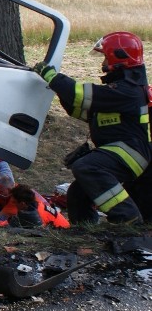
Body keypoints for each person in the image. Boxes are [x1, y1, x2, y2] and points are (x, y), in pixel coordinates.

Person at [34, 32, 150, 224]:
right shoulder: (121, 89)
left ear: (118, 57)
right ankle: (85, 230)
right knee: (78, 192)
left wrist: (53, 78)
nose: (103, 62)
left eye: (105, 56)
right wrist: (61, 91)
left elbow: (80, 95)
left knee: (87, 166)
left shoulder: (127, 91)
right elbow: (84, 109)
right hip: (124, 149)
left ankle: (128, 217)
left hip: (131, 152)